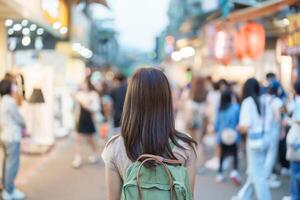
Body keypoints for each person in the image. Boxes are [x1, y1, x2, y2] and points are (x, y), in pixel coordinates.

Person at [101, 68, 197, 200]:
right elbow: (188, 196)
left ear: (130, 100)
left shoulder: (115, 147)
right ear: (166, 100)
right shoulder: (185, 146)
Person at [233, 78, 271, 200]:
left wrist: (238, 127)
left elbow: (245, 125)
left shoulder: (248, 102)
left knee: (257, 174)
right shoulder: (264, 100)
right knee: (253, 171)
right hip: (265, 138)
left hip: (254, 141)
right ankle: (244, 196)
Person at [0, 79, 26, 200]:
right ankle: (8, 191)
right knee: (12, 165)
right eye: (14, 86)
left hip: (4, 136)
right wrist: (25, 124)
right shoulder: (10, 102)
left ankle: (6, 188)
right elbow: (19, 119)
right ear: (8, 88)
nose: (15, 88)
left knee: (7, 164)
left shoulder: (3, 101)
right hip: (12, 137)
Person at [177, 76, 207, 168]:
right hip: (199, 121)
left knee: (188, 142)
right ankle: (200, 165)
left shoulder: (189, 92)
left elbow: (182, 106)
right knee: (199, 143)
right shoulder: (205, 93)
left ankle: (188, 164)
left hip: (189, 120)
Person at [72, 78, 101, 168]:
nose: (83, 85)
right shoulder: (79, 94)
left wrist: (87, 104)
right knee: (78, 139)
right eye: (82, 84)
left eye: (84, 83)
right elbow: (76, 107)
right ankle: (77, 158)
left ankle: (94, 154)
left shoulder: (94, 94)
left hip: (89, 119)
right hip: (80, 119)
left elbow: (96, 108)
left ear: (88, 84)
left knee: (90, 139)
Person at [214, 90, 241, 185]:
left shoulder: (219, 109)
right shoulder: (236, 108)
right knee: (234, 154)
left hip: (222, 135)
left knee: (222, 155)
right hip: (233, 134)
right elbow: (239, 121)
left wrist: (216, 133)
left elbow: (216, 124)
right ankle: (234, 171)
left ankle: (220, 173)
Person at [264, 81, 283, 188]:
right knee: (271, 154)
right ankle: (267, 177)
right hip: (273, 130)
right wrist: (282, 129)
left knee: (267, 154)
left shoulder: (264, 99)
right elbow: (278, 117)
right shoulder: (277, 101)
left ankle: (268, 175)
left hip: (265, 131)